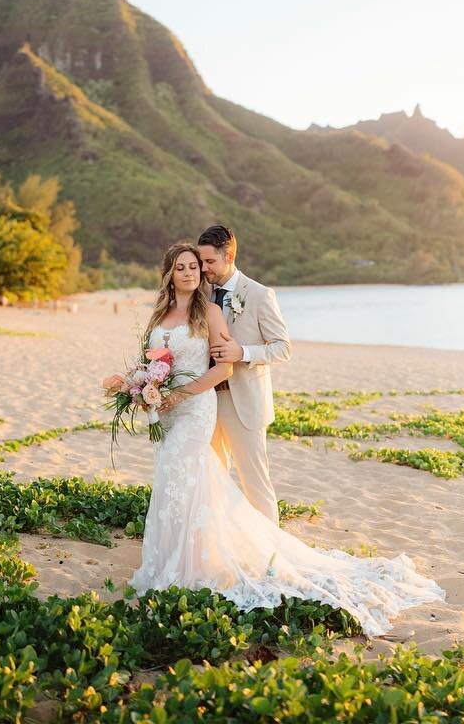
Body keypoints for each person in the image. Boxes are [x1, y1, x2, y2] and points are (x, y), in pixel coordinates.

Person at [128, 242, 445, 636]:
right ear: (170, 273)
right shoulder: (161, 313)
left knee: (224, 479)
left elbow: (244, 360)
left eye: (200, 264)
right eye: (185, 267)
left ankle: (265, 556)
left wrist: (183, 390)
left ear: (226, 258)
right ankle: (178, 557)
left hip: (201, 406)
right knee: (182, 481)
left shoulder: (217, 308)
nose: (195, 272)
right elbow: (152, 361)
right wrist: (142, 388)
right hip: (170, 412)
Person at [197, 224, 287, 523]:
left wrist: (243, 353)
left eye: (210, 262)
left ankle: (271, 556)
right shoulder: (201, 294)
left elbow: (282, 348)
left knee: (255, 481)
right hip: (207, 399)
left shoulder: (260, 294)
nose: (203, 268)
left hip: (244, 401)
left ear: (229, 255)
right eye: (201, 261)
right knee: (213, 478)